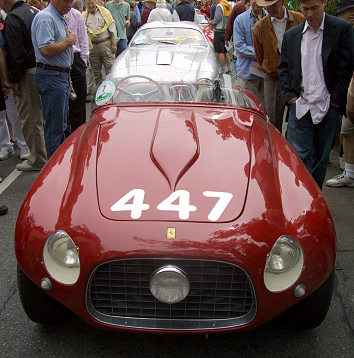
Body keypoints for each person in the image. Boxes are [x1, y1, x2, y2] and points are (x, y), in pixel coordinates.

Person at [278, 0, 354, 189]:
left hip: (328, 106)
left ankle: (314, 200)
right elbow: (284, 69)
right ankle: (301, 201)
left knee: (320, 160)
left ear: (324, 3)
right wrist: (290, 98)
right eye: (305, 9)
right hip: (301, 105)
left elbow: (346, 67)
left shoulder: (341, 29)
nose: (310, 14)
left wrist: (336, 101)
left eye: (314, 8)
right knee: (300, 159)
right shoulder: (292, 36)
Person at [2, 0, 47, 171]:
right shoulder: (33, 11)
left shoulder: (13, 18)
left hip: (27, 72)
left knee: (30, 117)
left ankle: (37, 159)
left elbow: (16, 54)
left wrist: (13, 80)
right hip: (39, 67)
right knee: (39, 117)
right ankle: (42, 154)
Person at [31, 0, 76, 159]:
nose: (69, 4)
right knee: (55, 129)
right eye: (66, 1)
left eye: (71, 1)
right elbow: (46, 49)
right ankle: (54, 171)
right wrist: (69, 41)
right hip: (52, 77)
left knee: (61, 126)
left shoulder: (58, 17)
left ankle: (59, 165)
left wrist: (67, 77)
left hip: (59, 76)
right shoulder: (45, 18)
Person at [253, 0, 304, 133]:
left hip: (299, 75)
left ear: (282, 2)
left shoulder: (299, 19)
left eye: (273, 4)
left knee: (300, 116)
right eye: (267, 5)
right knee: (273, 120)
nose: (269, 8)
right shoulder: (260, 27)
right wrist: (269, 66)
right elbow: (259, 56)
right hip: (273, 77)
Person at [326, 0, 354, 187]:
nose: (352, 14)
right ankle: (350, 173)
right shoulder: (340, 33)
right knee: (347, 131)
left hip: (349, 89)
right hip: (345, 91)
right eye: (347, 11)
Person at [233, 0, 266, 99]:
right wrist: (261, 54)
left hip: (266, 74)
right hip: (247, 74)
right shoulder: (240, 19)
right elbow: (239, 46)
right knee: (246, 107)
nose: (256, 2)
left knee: (265, 109)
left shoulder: (270, 18)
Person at [66, 4, 89, 134]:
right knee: (64, 103)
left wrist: (83, 61)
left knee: (79, 100)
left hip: (76, 59)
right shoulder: (47, 16)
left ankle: (79, 134)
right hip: (58, 61)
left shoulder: (76, 15)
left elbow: (83, 39)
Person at [83, 0, 117, 86]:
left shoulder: (105, 12)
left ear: (95, 2)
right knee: (96, 73)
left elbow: (112, 27)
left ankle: (112, 91)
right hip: (93, 47)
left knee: (110, 70)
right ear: (85, 4)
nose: (90, 5)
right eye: (88, 4)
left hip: (106, 45)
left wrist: (113, 43)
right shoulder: (83, 16)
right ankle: (100, 94)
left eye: (92, 3)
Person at [209, 0, 232, 74]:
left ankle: (223, 69)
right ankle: (229, 67)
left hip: (219, 31)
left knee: (220, 51)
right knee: (226, 50)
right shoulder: (227, 5)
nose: (214, 1)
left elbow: (217, 18)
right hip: (226, 31)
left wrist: (212, 22)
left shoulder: (219, 6)